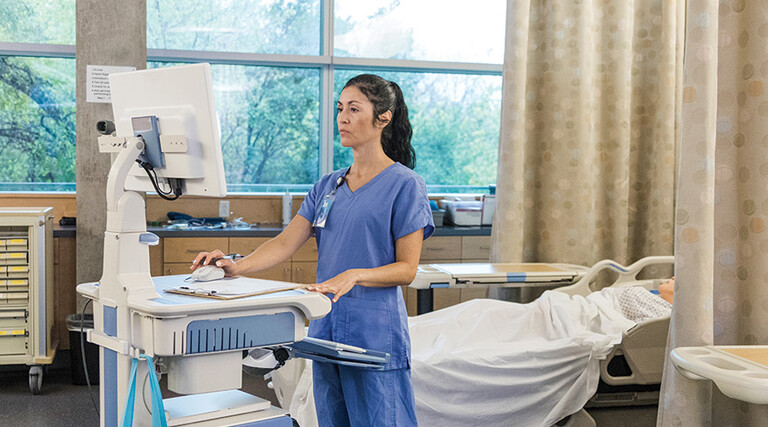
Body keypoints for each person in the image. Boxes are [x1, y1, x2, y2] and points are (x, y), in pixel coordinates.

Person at [192, 74, 434, 426]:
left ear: (384, 117)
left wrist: (355, 275)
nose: (343, 118)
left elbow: (407, 269)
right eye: (340, 109)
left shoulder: (406, 185)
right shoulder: (329, 185)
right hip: (326, 326)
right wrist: (235, 266)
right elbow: (286, 242)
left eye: (354, 109)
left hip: (374, 333)